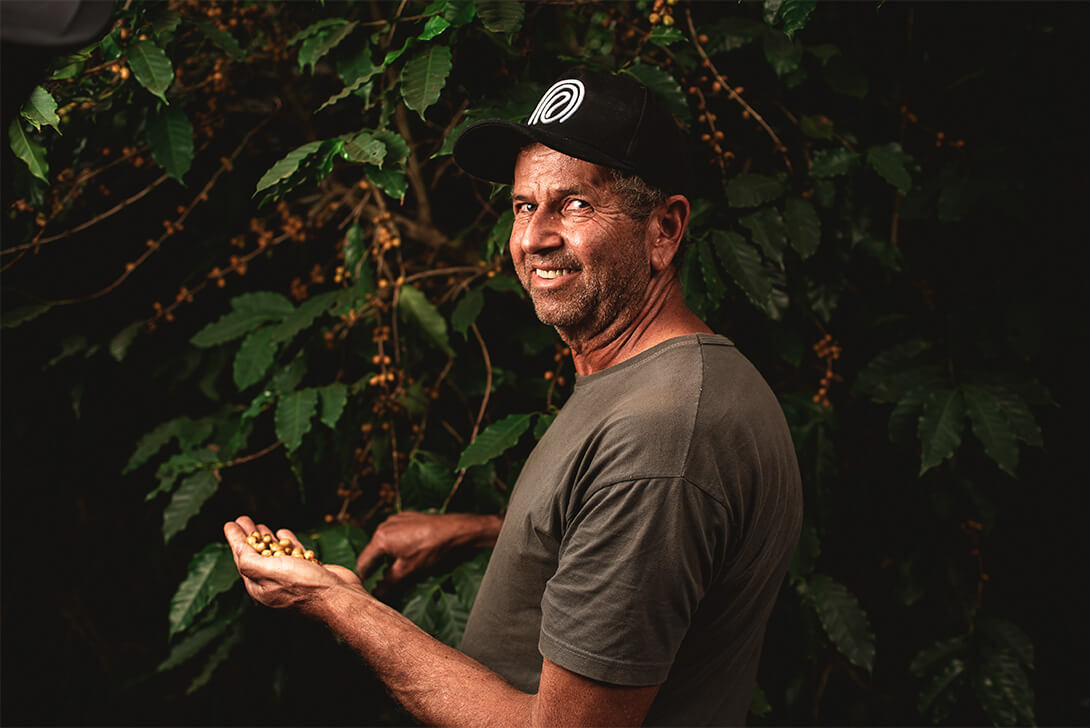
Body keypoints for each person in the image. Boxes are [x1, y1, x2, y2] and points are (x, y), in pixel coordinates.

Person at [224, 68, 802, 727]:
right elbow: (637, 548)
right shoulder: (654, 388)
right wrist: (496, 537)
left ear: (663, 230)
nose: (534, 238)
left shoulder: (664, 435)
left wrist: (338, 600)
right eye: (525, 206)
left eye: (575, 204)